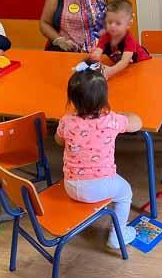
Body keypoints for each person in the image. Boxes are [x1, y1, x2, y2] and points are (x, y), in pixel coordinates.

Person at [54, 65, 142, 248]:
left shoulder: (66, 121)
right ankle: (118, 236)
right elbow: (137, 123)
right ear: (104, 99)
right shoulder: (111, 120)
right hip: (99, 186)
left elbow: (59, 141)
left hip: (70, 185)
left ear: (72, 99)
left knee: (114, 188)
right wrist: (123, 115)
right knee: (125, 193)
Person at [89, 0, 150, 79]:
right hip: (125, 68)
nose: (112, 26)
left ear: (128, 24)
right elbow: (99, 49)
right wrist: (95, 54)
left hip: (141, 64)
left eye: (118, 23)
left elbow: (125, 61)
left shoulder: (129, 39)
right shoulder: (105, 36)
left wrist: (109, 72)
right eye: (110, 22)